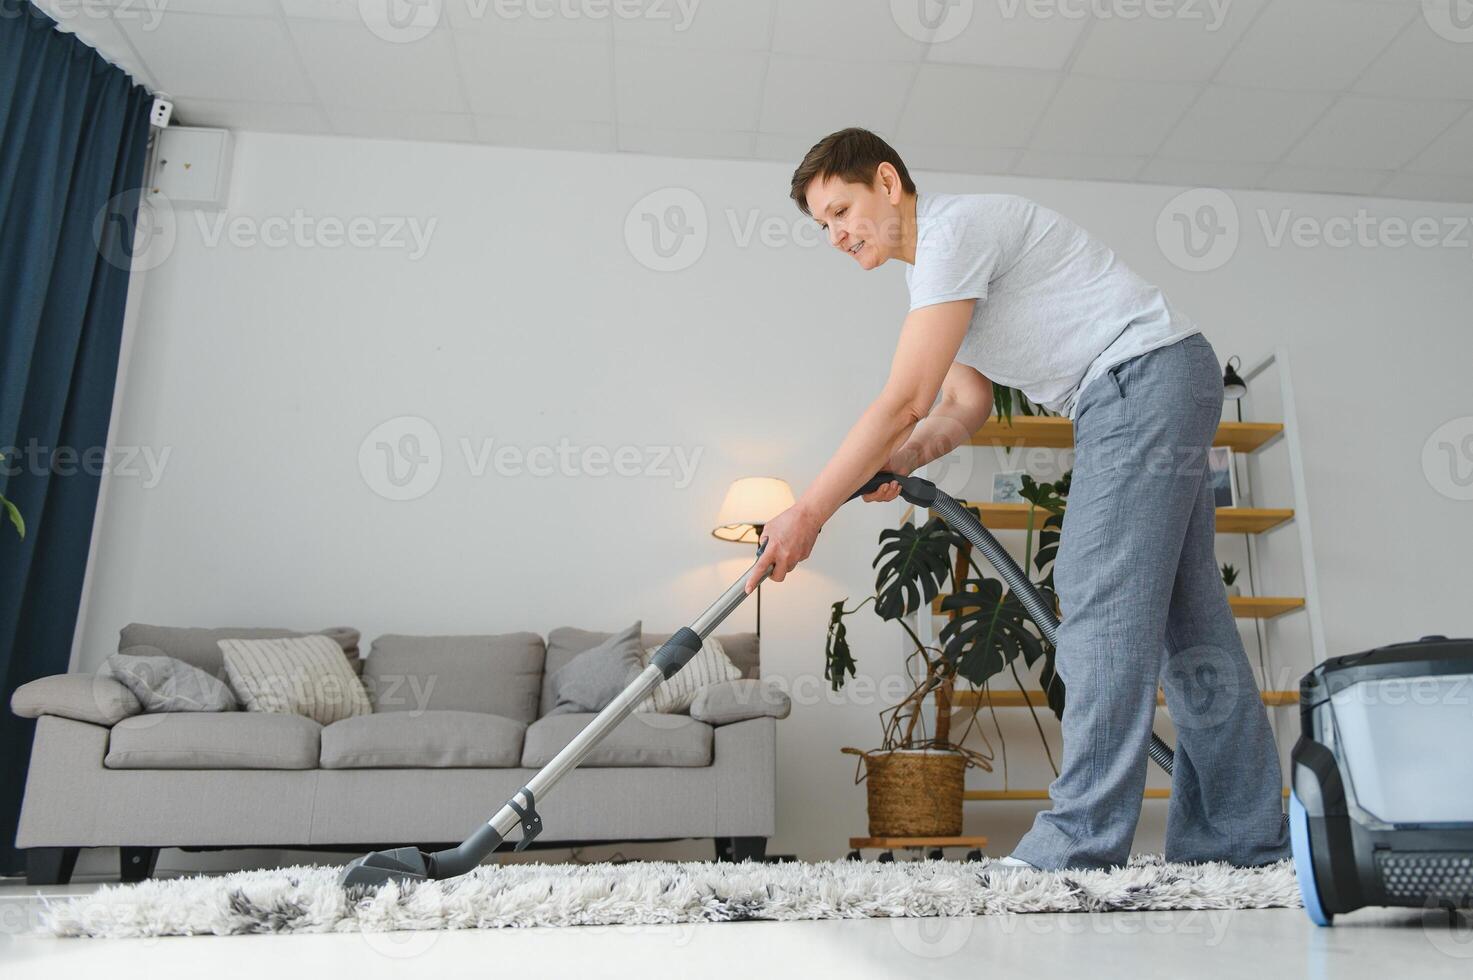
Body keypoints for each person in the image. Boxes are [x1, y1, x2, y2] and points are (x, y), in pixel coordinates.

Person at [744, 127, 1288, 871]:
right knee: (1189, 623)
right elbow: (959, 406)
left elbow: (905, 398)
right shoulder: (936, 275)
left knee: (1095, 591)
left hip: (1137, 381)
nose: (835, 234)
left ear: (887, 182)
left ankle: (1077, 842)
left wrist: (808, 510)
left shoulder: (953, 232)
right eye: (822, 225)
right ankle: (1243, 842)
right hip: (1159, 377)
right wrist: (897, 463)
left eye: (841, 210)